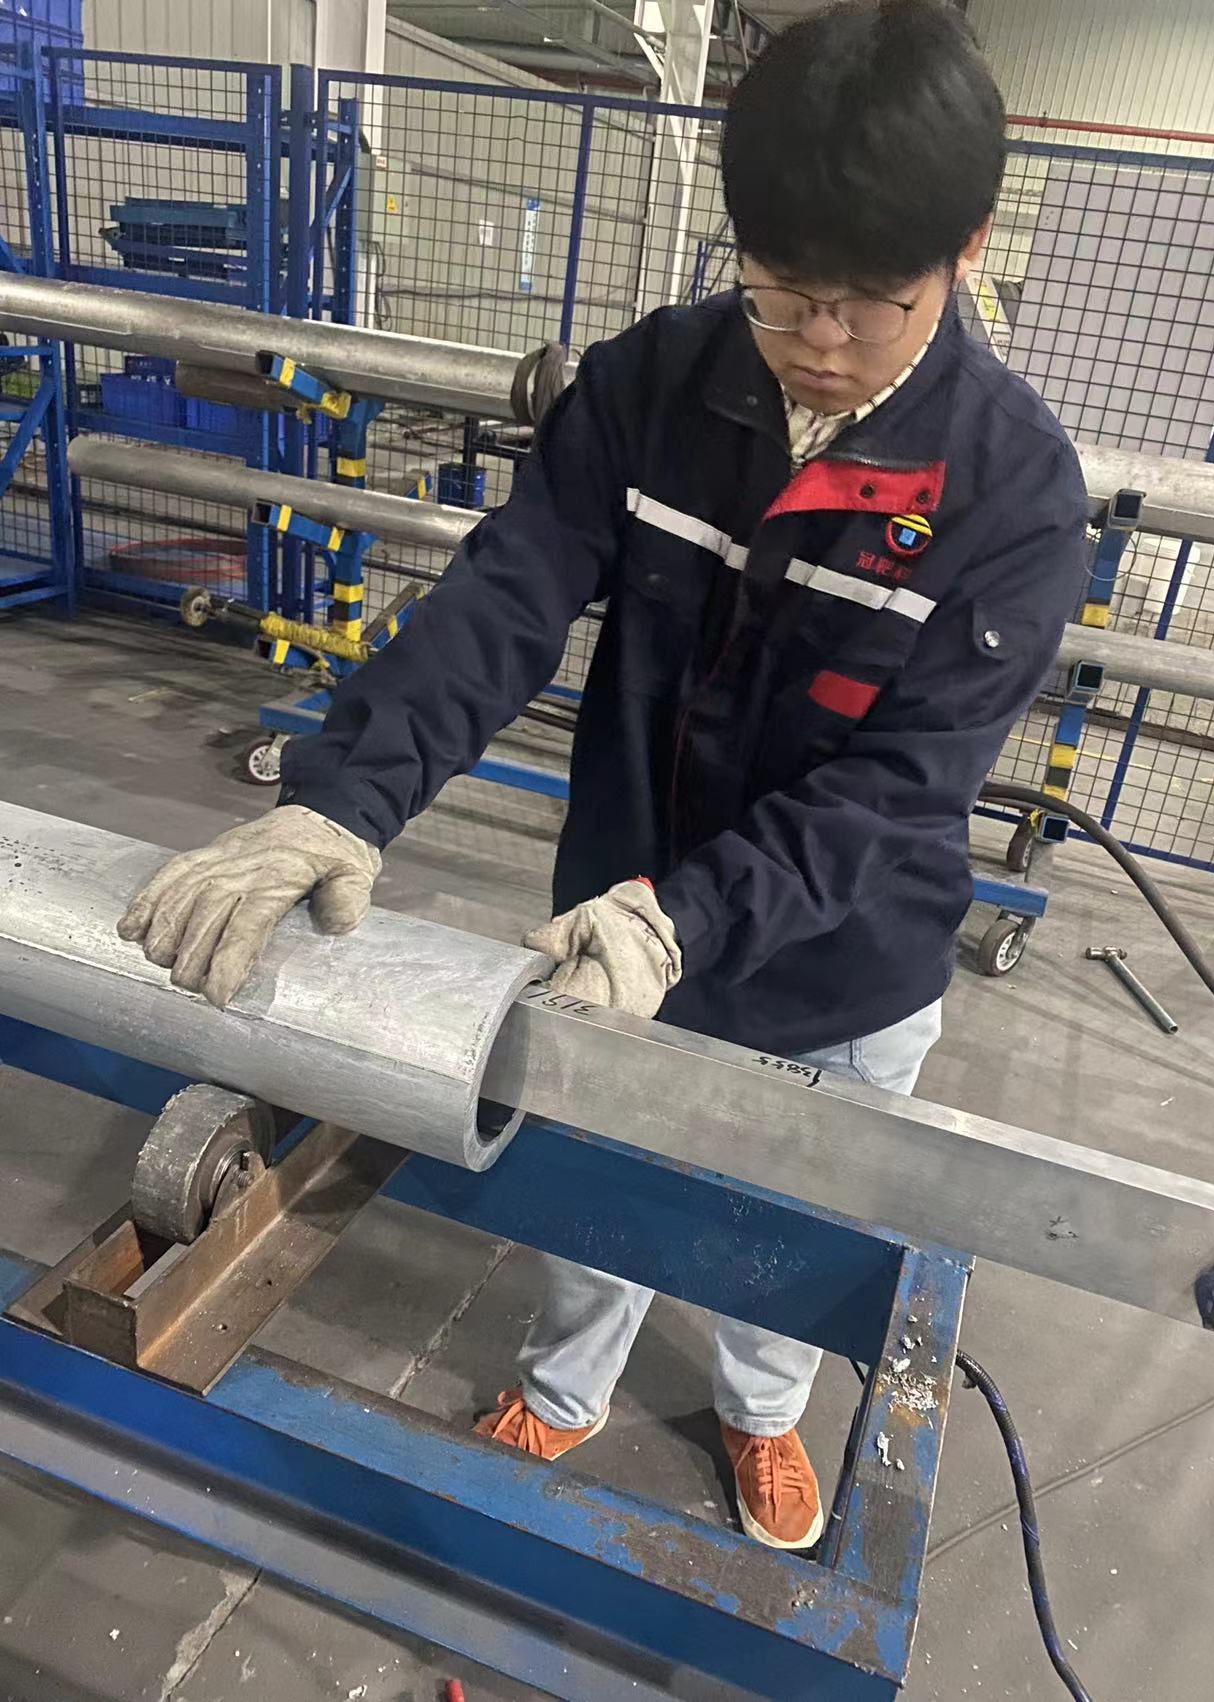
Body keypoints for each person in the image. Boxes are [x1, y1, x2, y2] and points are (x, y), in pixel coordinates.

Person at [117, 0, 1087, 1552]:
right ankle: (567, 1387)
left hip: (840, 963)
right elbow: (505, 597)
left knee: (788, 1230)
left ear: (965, 250)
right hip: (616, 914)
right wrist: (342, 795)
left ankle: (761, 1410)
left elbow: (900, 789)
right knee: (598, 1178)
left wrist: (686, 920)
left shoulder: (1014, 496)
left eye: (865, 306)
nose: (817, 342)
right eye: (780, 293)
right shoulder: (659, 386)